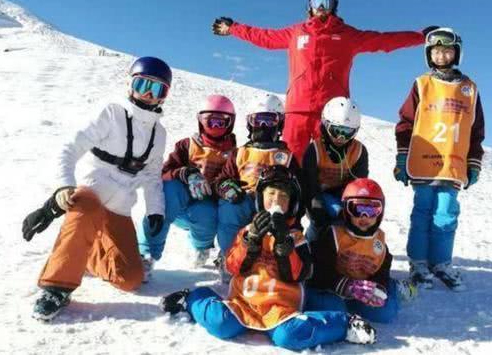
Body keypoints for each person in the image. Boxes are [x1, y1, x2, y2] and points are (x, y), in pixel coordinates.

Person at [212, 0, 435, 162]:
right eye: (316, 1)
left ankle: (323, 205)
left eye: (326, 2)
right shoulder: (296, 33)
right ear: (309, 5)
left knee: (326, 167)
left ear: (334, 5)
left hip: (332, 114)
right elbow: (265, 37)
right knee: (290, 163)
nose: (321, 7)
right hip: (298, 110)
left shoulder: (348, 36)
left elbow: (384, 41)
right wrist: (234, 28)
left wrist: (420, 36)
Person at [160, 166, 376, 350]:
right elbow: (232, 267)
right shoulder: (246, 230)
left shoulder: (297, 238)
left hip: (280, 307)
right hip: (244, 301)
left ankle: (345, 324)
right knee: (221, 324)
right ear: (260, 199)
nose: (276, 201)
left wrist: (284, 245)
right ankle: (191, 299)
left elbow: (299, 275)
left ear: (292, 204)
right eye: (271, 194)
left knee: (289, 337)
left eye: (283, 197)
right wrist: (250, 241)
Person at [22, 56, 171, 320]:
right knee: (86, 208)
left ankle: (86, 255)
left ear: (164, 96)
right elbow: (69, 148)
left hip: (120, 207)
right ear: (130, 85)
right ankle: (56, 288)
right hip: (91, 192)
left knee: (130, 278)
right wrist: (64, 186)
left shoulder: (159, 134)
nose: (148, 94)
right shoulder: (111, 113)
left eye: (157, 89)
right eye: (142, 85)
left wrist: (155, 210)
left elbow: (151, 176)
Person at [393, 28, 485, 291]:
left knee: (446, 214)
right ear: (428, 54)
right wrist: (402, 156)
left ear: (457, 53)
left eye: (446, 51)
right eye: (436, 51)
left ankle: (441, 263)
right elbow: (406, 122)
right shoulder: (422, 84)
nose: (441, 56)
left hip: (452, 163)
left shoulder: (469, 88)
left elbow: (476, 129)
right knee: (422, 213)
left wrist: (474, 162)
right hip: (424, 161)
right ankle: (418, 264)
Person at [138, 95, 237, 278]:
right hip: (179, 206)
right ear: (200, 120)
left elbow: (233, 181)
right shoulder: (187, 145)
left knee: (205, 211)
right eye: (210, 121)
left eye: (221, 122)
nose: (215, 126)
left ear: (230, 123)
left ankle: (202, 247)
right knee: (168, 189)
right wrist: (184, 173)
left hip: (208, 208)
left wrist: (217, 187)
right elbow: (163, 173)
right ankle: (146, 254)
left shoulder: (235, 153)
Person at [212, 93, 301, 282]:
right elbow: (221, 179)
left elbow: (298, 188)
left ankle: (276, 260)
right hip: (244, 201)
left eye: (269, 120)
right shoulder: (241, 153)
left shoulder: (286, 156)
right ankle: (228, 256)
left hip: (273, 203)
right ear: (249, 123)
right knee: (229, 209)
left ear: (279, 123)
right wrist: (228, 187)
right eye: (258, 120)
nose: (263, 126)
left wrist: (294, 217)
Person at [306, 178, 416, 324]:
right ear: (346, 210)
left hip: (362, 291)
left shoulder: (378, 242)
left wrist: (378, 287)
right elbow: (319, 272)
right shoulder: (333, 235)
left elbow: (381, 270)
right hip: (332, 288)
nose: (364, 216)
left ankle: (394, 288)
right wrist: (346, 286)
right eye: (357, 209)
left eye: (371, 210)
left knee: (385, 313)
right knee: (335, 313)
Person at [302, 97, 368, 241]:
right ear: (326, 125)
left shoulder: (358, 152)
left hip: (343, 195)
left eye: (348, 132)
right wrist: (316, 206)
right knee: (320, 220)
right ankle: (311, 246)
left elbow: (359, 185)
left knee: (346, 219)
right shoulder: (315, 150)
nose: (341, 137)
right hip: (317, 194)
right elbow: (309, 184)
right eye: (336, 130)